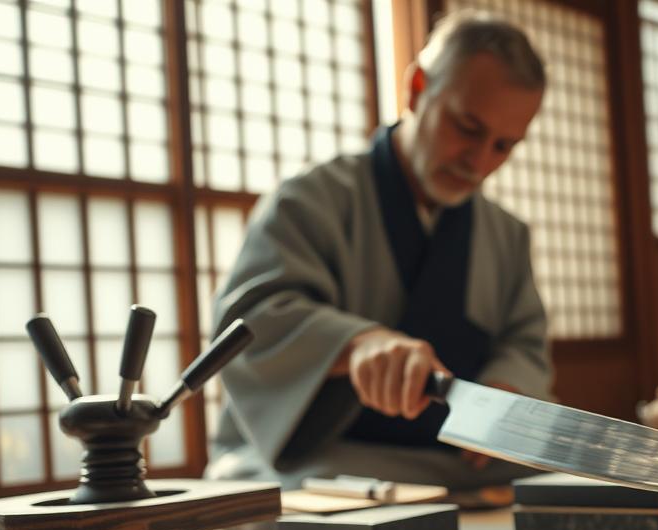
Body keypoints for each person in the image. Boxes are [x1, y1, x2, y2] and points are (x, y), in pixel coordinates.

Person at [205, 12, 549, 489]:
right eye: (467, 127)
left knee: (550, 486)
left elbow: (524, 344)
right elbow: (250, 324)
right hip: (327, 456)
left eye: (503, 145)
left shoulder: (505, 235)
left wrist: (504, 390)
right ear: (417, 89)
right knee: (285, 496)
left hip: (450, 460)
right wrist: (358, 345)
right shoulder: (311, 198)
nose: (480, 161)